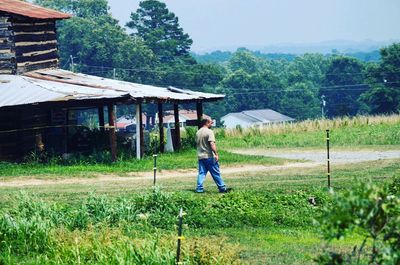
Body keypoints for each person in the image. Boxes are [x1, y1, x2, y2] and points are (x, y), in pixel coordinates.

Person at [195, 117, 230, 193]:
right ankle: (222, 188)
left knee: (201, 173)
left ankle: (199, 188)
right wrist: (216, 154)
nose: (212, 123)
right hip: (209, 156)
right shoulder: (209, 132)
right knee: (215, 172)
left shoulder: (198, 132)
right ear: (207, 122)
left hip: (200, 156)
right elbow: (212, 143)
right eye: (211, 122)